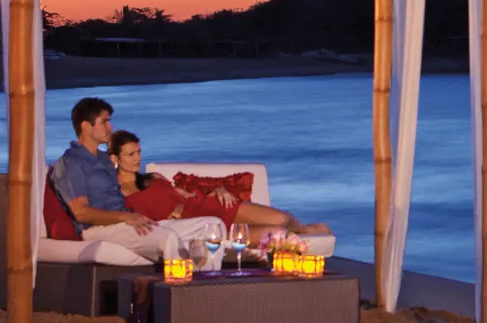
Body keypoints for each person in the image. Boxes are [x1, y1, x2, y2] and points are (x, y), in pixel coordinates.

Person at [50, 97, 225, 262]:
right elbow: (81, 212)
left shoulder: (104, 159)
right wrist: (126, 216)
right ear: (86, 126)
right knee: (168, 237)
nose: (110, 127)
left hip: (125, 223)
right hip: (97, 229)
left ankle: (206, 283)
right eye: (104, 122)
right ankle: (184, 289)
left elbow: (128, 183)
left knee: (213, 226)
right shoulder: (70, 163)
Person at [110, 129, 330, 236]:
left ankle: (305, 231)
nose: (137, 158)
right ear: (115, 158)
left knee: (282, 218)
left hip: (205, 206)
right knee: (276, 233)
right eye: (130, 154)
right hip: (192, 226)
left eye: (138, 152)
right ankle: (302, 235)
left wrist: (219, 189)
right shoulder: (117, 193)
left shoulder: (152, 178)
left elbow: (186, 193)